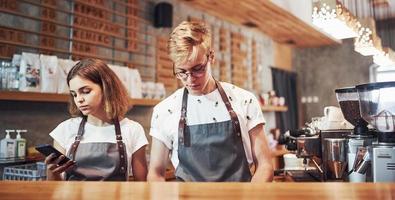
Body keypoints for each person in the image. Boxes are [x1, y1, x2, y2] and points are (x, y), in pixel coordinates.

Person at [147, 21, 273, 182]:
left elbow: (265, 165)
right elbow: (155, 173)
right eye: (182, 72)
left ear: (211, 57)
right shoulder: (164, 110)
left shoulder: (244, 101)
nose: (190, 79)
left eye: (198, 69)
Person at [45, 58, 148, 181]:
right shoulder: (65, 130)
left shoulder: (132, 130)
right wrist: (52, 171)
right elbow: (55, 189)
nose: (79, 99)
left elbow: (142, 185)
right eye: (74, 94)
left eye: (86, 91)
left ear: (106, 88)